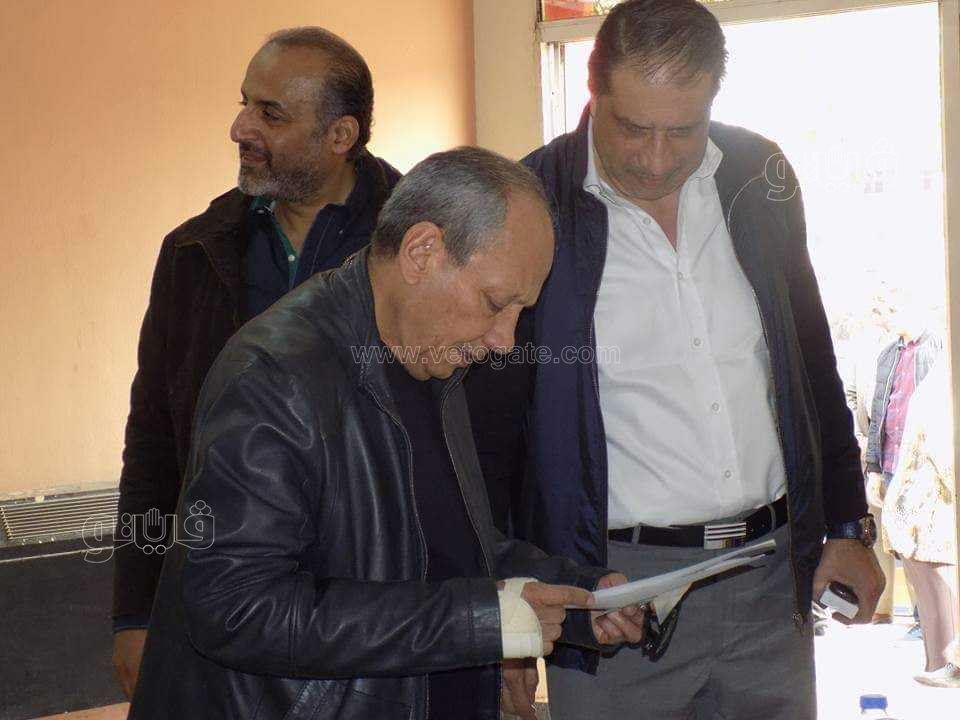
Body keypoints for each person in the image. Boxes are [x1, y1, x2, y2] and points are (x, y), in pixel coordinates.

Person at [466, 2, 884, 718]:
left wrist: (846, 525)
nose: (656, 158)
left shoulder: (756, 175)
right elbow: (490, 438)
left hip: (769, 575)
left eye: (683, 131)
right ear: (593, 89)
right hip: (614, 595)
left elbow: (811, 358)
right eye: (633, 128)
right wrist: (505, 611)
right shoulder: (530, 203)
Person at [127, 147, 646, 720]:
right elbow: (237, 609)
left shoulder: (432, 360)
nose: (505, 340)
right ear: (422, 251)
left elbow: (443, 548)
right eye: (496, 303)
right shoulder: (276, 375)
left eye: (520, 312)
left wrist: (578, 598)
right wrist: (478, 621)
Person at [112, 26, 401, 697]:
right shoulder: (194, 254)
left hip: (380, 612)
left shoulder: (419, 246)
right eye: (245, 103)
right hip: (222, 606)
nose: (240, 128)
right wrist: (135, 610)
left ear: (341, 135)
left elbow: (477, 441)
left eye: (271, 114)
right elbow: (154, 440)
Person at [880, 358, 960, 687]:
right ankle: (945, 663)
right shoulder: (944, 377)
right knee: (937, 595)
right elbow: (944, 454)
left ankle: (944, 663)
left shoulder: (940, 374)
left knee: (937, 597)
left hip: (923, 509)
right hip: (928, 509)